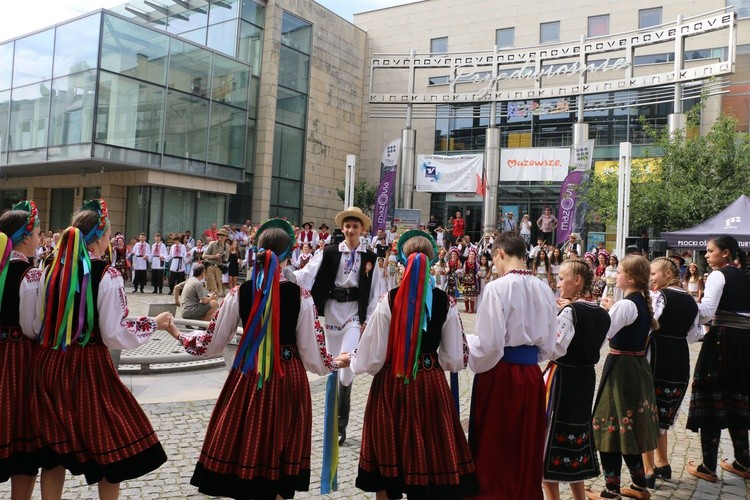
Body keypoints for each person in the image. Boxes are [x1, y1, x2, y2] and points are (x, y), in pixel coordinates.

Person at [170, 219, 339, 499]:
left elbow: (210, 344)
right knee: (282, 464)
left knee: (247, 451)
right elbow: (314, 357)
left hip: (248, 379)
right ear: (290, 256)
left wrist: (176, 332)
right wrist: (337, 362)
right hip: (288, 382)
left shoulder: (239, 293)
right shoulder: (302, 297)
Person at [30, 199, 177, 499]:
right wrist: (155, 323)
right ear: (99, 238)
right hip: (87, 368)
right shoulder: (107, 274)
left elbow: (38, 322)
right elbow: (114, 332)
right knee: (112, 446)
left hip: (49, 363)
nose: (110, 241)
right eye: (109, 235)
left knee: (52, 450)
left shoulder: (48, 268)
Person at [336, 230, 478, 499]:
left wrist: (351, 360)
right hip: (430, 385)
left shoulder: (387, 301)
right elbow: (454, 359)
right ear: (432, 262)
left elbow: (372, 357)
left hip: (392, 383)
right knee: (431, 454)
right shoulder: (445, 301)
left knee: (388, 462)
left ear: (402, 261)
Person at [467, 232, 557, 499]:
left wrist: (468, 343)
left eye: (494, 259)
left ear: (500, 254)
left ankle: (494, 491)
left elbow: (490, 344)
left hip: (501, 372)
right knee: (525, 439)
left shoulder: (498, 287)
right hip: (531, 374)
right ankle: (524, 490)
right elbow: (549, 344)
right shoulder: (544, 288)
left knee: (497, 437)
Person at [293, 206, 384, 445]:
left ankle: (340, 424)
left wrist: (369, 320)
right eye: (347, 226)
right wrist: (284, 272)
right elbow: (306, 274)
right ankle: (331, 421)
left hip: (354, 313)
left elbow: (375, 292)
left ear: (362, 230)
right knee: (333, 364)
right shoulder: (329, 252)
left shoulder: (370, 258)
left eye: (355, 226)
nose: (351, 230)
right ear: (342, 229)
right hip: (333, 311)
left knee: (346, 368)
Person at [589, 255, 660, 500]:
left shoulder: (627, 305)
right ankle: (640, 486)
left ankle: (611, 491)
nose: (615, 275)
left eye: (619, 272)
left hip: (622, 368)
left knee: (608, 424)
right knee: (625, 427)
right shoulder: (639, 302)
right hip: (636, 366)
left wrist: (604, 312)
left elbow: (603, 333)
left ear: (630, 278)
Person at [543, 259, 611, 500]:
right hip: (585, 377)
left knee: (551, 434)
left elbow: (554, 348)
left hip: (564, 377)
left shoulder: (571, 312)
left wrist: (559, 314)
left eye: (562, 278)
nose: (559, 283)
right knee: (576, 433)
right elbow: (600, 344)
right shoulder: (603, 314)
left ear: (577, 280)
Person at [686, 235, 750, 483]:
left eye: (710, 251)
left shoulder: (718, 275)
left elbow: (706, 313)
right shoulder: (745, 275)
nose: (706, 255)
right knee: (739, 398)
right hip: (745, 342)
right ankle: (744, 461)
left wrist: (684, 304)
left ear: (725, 253)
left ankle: (708, 466)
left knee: (711, 396)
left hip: (723, 340)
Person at [642, 257, 700, 488]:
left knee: (647, 409)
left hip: (658, 354)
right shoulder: (690, 299)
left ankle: (647, 470)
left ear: (668, 273)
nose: (650, 279)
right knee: (663, 410)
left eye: (653, 274)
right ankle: (663, 462)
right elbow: (694, 334)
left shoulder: (660, 296)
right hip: (679, 355)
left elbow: (649, 324)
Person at [0, 201, 43, 499]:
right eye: (39, 234)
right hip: (17, 359)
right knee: (21, 433)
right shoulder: (29, 274)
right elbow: (31, 327)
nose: (41, 239)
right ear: (25, 238)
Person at [203, 228, 229, 297]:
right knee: (214, 289)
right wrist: (214, 256)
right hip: (210, 267)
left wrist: (223, 258)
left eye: (223, 235)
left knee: (218, 287)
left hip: (219, 268)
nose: (221, 236)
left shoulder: (227, 247)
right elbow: (204, 256)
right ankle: (213, 305)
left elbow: (226, 258)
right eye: (219, 235)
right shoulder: (212, 244)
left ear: (226, 237)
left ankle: (210, 303)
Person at [462, 248, 479, 313]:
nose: (471, 255)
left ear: (475, 255)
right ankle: (466, 308)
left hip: (473, 280)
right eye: (470, 254)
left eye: (473, 254)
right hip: (466, 280)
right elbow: (463, 270)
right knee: (466, 296)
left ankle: (471, 309)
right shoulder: (466, 262)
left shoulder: (476, 263)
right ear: (468, 255)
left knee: (472, 296)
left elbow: (478, 270)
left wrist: (478, 274)